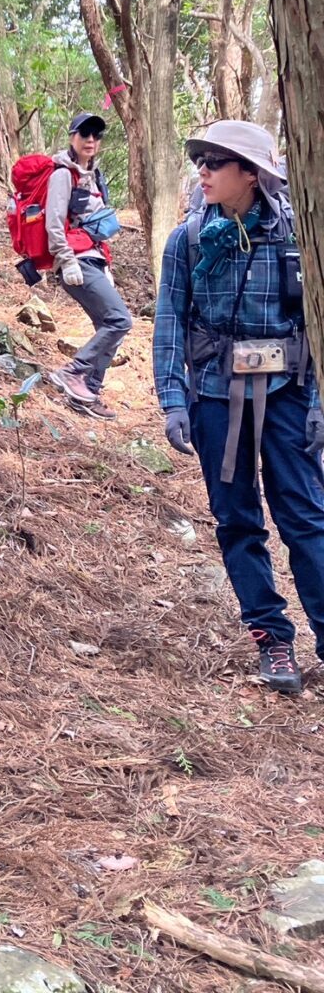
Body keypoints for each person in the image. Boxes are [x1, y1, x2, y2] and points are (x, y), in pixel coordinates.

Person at [154, 120, 324, 695]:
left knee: (305, 517)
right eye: (198, 161)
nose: (201, 172)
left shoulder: (298, 235)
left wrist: (318, 403)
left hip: (289, 395)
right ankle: (272, 638)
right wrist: (173, 400)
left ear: (251, 173)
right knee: (236, 520)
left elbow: (317, 322)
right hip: (214, 395)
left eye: (214, 162)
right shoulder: (188, 241)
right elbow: (170, 322)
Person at [46, 111, 132, 420]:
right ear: (73, 137)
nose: (91, 140)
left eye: (96, 135)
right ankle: (73, 372)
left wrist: (106, 266)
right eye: (84, 134)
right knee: (120, 320)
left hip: (93, 259)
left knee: (108, 326)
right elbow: (54, 223)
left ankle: (88, 392)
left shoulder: (94, 176)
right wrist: (66, 260)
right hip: (75, 261)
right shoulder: (62, 175)